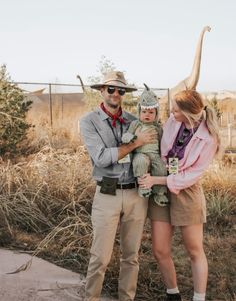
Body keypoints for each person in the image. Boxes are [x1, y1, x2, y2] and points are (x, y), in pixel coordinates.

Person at [79, 71, 156, 301]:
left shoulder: (134, 121)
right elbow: (102, 158)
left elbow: (150, 149)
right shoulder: (88, 121)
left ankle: (127, 297)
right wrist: (136, 143)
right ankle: (91, 297)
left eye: (120, 90)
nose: (115, 94)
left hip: (135, 193)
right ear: (102, 91)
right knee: (100, 257)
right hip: (107, 193)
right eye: (111, 89)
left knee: (131, 255)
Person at [139, 90, 220, 301]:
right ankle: (173, 294)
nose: (171, 113)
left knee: (194, 250)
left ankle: (198, 298)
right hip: (161, 191)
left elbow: (190, 176)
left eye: (175, 109)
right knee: (159, 249)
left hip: (187, 191)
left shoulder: (209, 139)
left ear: (189, 112)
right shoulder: (173, 122)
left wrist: (156, 180)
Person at [122, 84, 168, 206]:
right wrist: (130, 137)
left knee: (161, 168)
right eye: (144, 111)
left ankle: (160, 193)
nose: (147, 115)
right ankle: (143, 187)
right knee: (140, 162)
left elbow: (162, 141)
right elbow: (126, 135)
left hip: (155, 154)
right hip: (140, 153)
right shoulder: (136, 124)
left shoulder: (157, 127)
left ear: (156, 114)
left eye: (151, 112)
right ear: (139, 111)